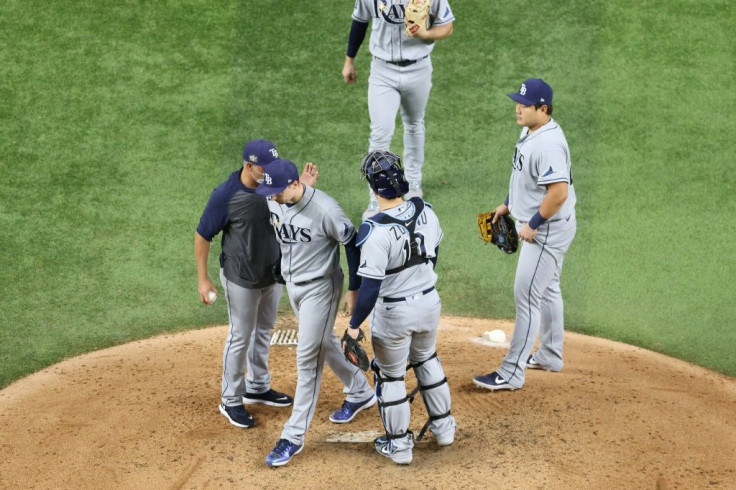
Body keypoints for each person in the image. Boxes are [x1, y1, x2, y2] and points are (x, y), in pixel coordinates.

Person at [255, 158, 376, 467]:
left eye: (275, 190)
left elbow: (352, 244)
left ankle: (293, 436)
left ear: (293, 184)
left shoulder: (326, 209)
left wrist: (354, 288)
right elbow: (290, 212)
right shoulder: (279, 199)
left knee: (308, 357)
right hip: (293, 286)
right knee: (325, 342)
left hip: (321, 288)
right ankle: (361, 391)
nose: (270, 196)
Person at [194, 139, 318, 429]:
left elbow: (295, 211)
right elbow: (202, 235)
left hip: (272, 275)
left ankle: (258, 386)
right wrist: (203, 278)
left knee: (264, 330)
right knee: (240, 336)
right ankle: (231, 399)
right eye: (265, 167)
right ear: (248, 166)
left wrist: (306, 189)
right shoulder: (226, 195)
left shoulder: (274, 185)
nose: (271, 172)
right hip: (241, 279)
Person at [344, 150, 455, 465]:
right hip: (429, 301)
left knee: (391, 376)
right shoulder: (427, 211)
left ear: (374, 188)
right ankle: (444, 429)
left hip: (395, 313)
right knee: (426, 358)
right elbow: (433, 254)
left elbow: (369, 290)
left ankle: (400, 447)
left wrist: (354, 325)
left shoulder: (374, 230)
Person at [473, 78, 578, 391]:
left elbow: (558, 192)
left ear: (542, 109)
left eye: (525, 105)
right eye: (517, 103)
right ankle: (549, 354)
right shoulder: (532, 130)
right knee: (547, 289)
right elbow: (523, 174)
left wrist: (532, 224)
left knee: (527, 297)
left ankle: (511, 372)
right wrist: (508, 204)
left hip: (546, 231)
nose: (518, 109)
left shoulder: (547, 145)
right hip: (551, 225)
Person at [341, 0, 455, 219]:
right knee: (380, 134)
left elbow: (447, 25)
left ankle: (413, 181)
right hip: (382, 70)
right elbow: (359, 21)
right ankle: (377, 197)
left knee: (414, 123)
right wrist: (349, 61)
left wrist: (426, 34)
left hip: (419, 67)